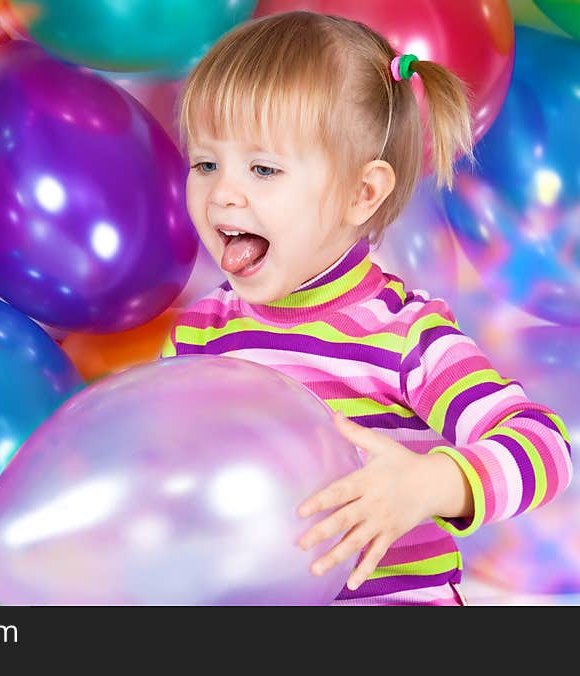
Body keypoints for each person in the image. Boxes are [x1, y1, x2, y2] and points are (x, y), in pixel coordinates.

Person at [160, 11, 573, 605]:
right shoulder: (200, 336)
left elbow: (542, 447)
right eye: (205, 163)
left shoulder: (405, 336)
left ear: (363, 193)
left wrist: (429, 484)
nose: (223, 192)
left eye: (264, 169)